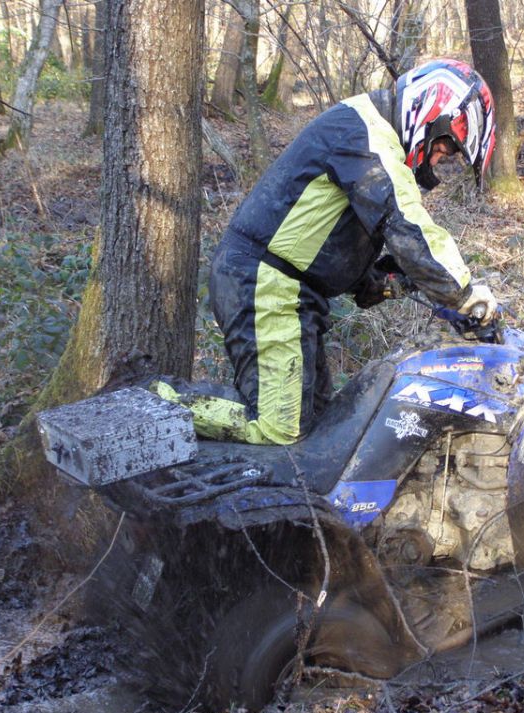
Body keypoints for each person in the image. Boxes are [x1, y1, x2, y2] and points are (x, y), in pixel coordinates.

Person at [159, 58, 500, 445]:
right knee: (277, 427)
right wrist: (464, 293)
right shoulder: (368, 137)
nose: (439, 160)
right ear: (429, 114)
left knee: (318, 426)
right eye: (445, 146)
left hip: (288, 290)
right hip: (263, 284)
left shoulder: (368, 135)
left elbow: (330, 231)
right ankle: (156, 405)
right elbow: (405, 223)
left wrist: (379, 280)